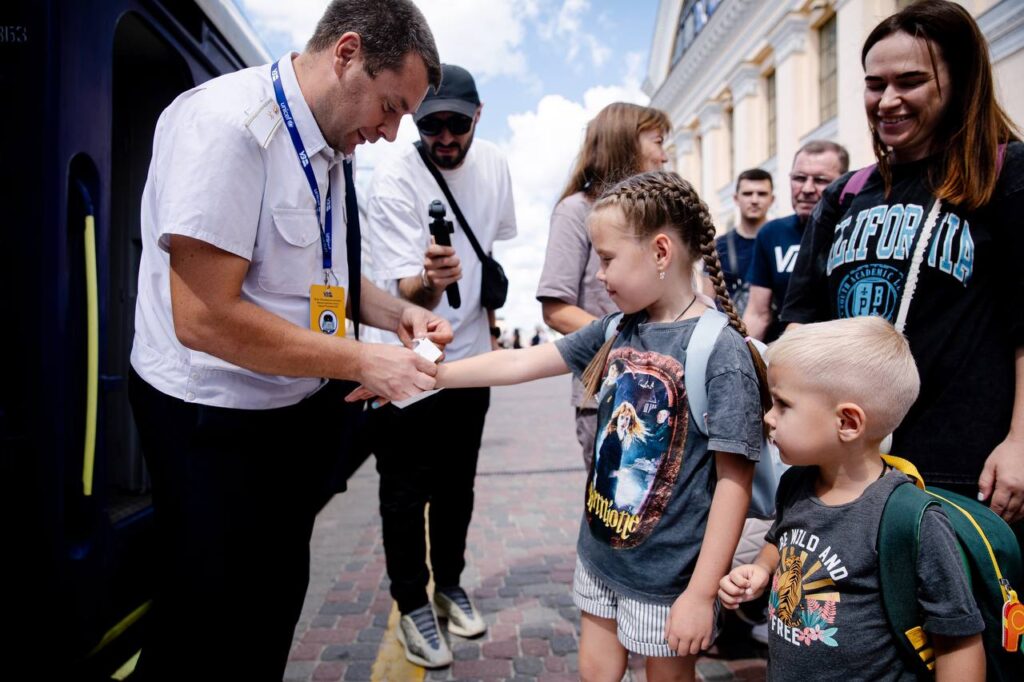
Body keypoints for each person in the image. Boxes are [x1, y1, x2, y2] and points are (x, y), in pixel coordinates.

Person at [126, 2, 451, 679]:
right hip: (212, 425)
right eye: (391, 107)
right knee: (206, 626)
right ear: (347, 54)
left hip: (288, 419)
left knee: (269, 609)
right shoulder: (228, 127)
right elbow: (204, 317)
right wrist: (362, 359)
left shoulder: (332, 143)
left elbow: (321, 274)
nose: (391, 133)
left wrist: (398, 314)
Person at [425, 171, 769, 681]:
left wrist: (700, 595)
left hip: (669, 578)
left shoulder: (721, 352)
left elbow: (733, 483)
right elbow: (521, 362)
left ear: (660, 252)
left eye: (607, 259)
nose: (600, 275)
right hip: (600, 556)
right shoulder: (615, 329)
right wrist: (428, 376)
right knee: (595, 671)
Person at [781, 0, 1024, 526]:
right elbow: (802, 323)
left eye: (910, 82)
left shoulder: (1005, 172)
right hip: (853, 475)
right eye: (875, 85)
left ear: (959, 82)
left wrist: (1020, 442)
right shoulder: (845, 195)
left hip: (965, 474)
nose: (888, 100)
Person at [720, 316, 984, 681]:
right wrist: (763, 569)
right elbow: (782, 537)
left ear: (847, 422)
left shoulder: (909, 518)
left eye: (782, 404)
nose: (768, 417)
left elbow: (958, 639)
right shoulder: (796, 483)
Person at [362, 63, 517, 668]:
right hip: (407, 359)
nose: (445, 137)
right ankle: (412, 605)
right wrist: (431, 280)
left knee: (458, 486)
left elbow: (490, 250)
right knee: (404, 492)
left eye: (456, 124)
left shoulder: (495, 164)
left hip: (471, 357)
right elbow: (406, 295)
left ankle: (449, 584)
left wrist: (490, 330)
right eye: (431, 126)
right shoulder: (393, 178)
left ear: (478, 116)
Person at [536, 102, 671, 469]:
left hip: (665, 387)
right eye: (658, 141)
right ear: (625, 142)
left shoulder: (657, 214)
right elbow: (556, 310)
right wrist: (635, 343)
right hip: (607, 393)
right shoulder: (576, 211)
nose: (664, 155)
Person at [742, 140, 848, 342]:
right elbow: (757, 313)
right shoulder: (772, 233)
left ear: (843, 182)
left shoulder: (853, 230)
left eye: (820, 180)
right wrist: (742, 354)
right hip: (788, 348)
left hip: (841, 349)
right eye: (799, 178)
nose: (807, 188)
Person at [712, 168, 774, 316]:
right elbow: (707, 301)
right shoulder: (719, 245)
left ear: (772, 199)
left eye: (762, 194)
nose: (754, 200)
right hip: (730, 325)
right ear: (736, 198)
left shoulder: (781, 240)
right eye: (747, 194)